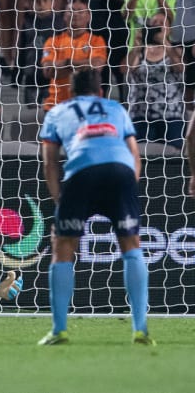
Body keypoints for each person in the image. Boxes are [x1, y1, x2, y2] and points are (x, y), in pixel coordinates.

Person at [38, 68, 154, 346]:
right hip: (120, 172)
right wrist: (127, 185)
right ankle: (140, 329)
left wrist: (59, 202)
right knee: (131, 244)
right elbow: (135, 156)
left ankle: (59, 330)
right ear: (101, 91)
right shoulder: (116, 108)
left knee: (63, 246)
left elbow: (49, 163)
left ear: (70, 92)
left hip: (82, 174)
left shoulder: (56, 112)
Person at [40, 0, 108, 113]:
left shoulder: (97, 40)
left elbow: (96, 67)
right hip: (56, 106)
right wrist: (82, 66)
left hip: (87, 107)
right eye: (71, 11)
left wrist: (66, 63)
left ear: (88, 16)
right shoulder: (53, 41)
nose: (75, 14)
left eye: (80, 11)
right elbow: (48, 71)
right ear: (65, 16)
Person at [126, 21, 185, 149]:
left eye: (161, 24)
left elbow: (181, 68)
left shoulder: (176, 51)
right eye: (154, 24)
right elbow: (125, 70)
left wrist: (166, 44)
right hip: (141, 114)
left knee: (174, 159)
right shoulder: (139, 52)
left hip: (171, 115)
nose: (157, 27)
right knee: (141, 154)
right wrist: (137, 47)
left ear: (169, 29)